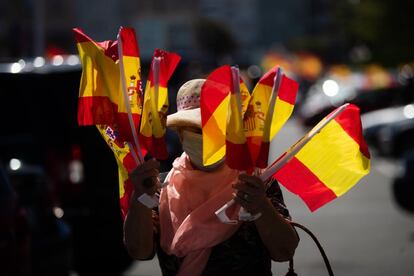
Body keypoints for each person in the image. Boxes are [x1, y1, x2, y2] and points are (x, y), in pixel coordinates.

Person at [123, 79, 299, 276]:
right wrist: (139, 198)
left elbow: (284, 251)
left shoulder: (256, 183)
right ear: (181, 135)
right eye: (197, 129)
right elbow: (139, 251)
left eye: (214, 128)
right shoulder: (158, 187)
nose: (206, 137)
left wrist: (261, 206)